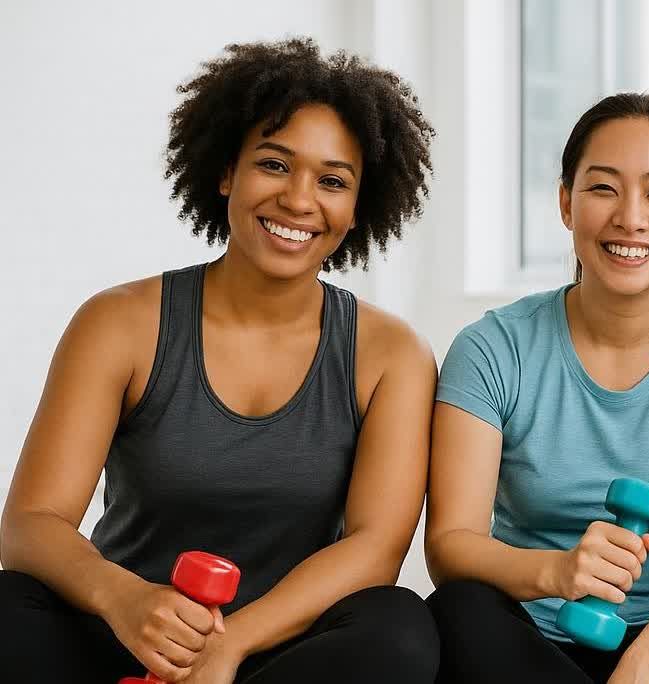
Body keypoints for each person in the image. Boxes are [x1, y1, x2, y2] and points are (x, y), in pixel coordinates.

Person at [0, 37, 440, 683]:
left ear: (357, 208)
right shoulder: (119, 322)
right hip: (127, 631)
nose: (298, 200)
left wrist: (231, 645)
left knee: (400, 629)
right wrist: (124, 600)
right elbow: (31, 525)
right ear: (226, 171)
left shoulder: (391, 354)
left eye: (333, 180)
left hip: (280, 649)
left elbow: (375, 549)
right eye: (274, 164)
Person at [424, 92, 649, 684]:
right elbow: (449, 546)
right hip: (529, 634)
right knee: (455, 612)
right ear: (566, 203)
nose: (631, 217)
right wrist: (558, 572)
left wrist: (647, 662)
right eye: (603, 188)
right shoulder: (493, 349)